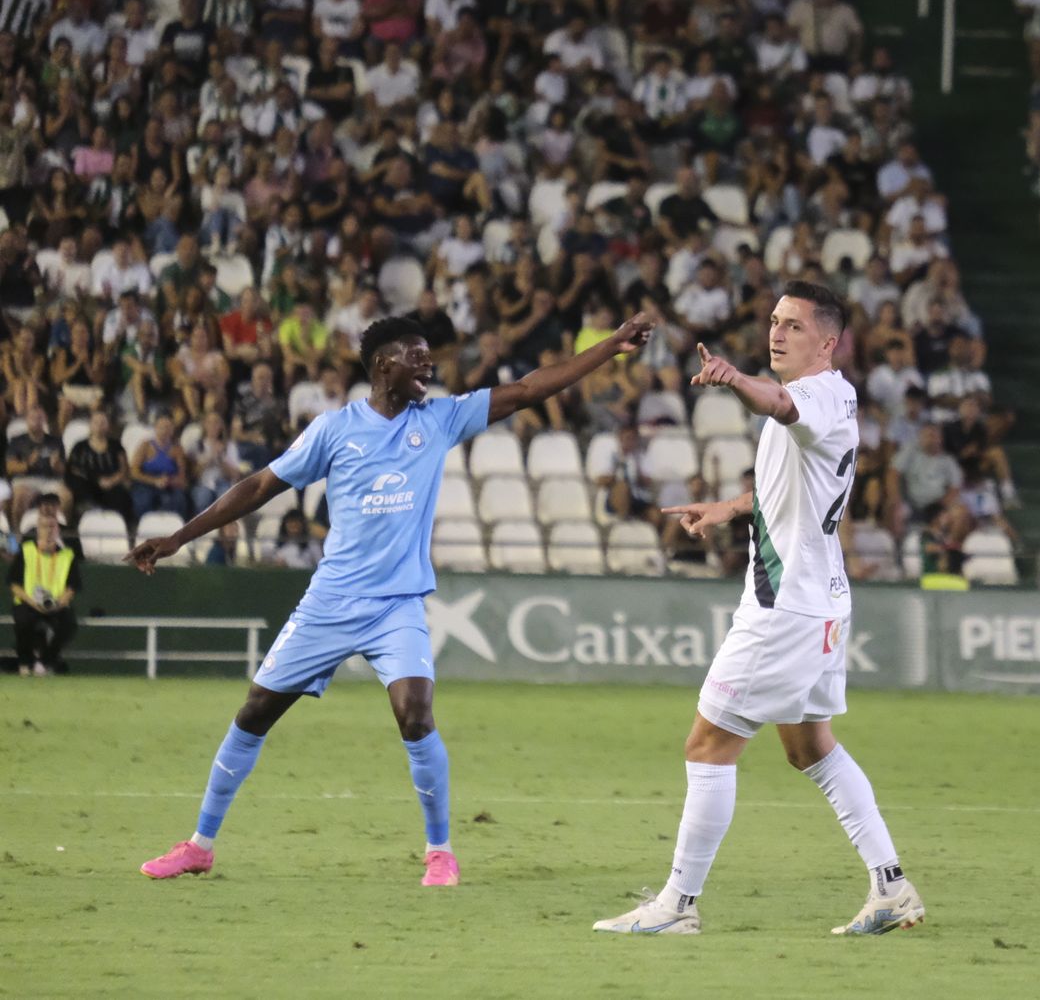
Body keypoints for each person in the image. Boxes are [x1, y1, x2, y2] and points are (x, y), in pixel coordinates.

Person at [131, 312, 654, 887]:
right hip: (329, 602)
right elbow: (259, 485)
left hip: (396, 605)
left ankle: (440, 851)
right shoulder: (334, 430)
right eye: (416, 355)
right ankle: (200, 845)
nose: (428, 364)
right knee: (254, 712)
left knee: (415, 713)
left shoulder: (440, 419)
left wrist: (608, 347)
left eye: (429, 356)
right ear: (384, 364)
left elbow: (530, 389)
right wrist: (180, 536)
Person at [593, 282, 923, 937]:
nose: (777, 333)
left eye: (794, 325)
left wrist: (732, 377)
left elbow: (775, 402)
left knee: (709, 744)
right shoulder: (825, 400)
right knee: (811, 749)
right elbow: (790, 483)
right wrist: (728, 507)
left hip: (784, 608)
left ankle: (677, 906)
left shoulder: (813, 396)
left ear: (827, 342)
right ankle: (892, 887)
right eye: (774, 321)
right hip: (819, 603)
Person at [9, 495, 82, 676]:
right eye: (44, 527)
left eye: (52, 527)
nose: (49, 531)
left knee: (69, 624)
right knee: (23, 621)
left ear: (57, 530)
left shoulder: (67, 555)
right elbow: (14, 584)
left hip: (56, 603)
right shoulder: (26, 551)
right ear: (37, 529)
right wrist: (33, 603)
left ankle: (45, 661)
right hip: (28, 602)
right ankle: (25, 663)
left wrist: (58, 604)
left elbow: (71, 588)